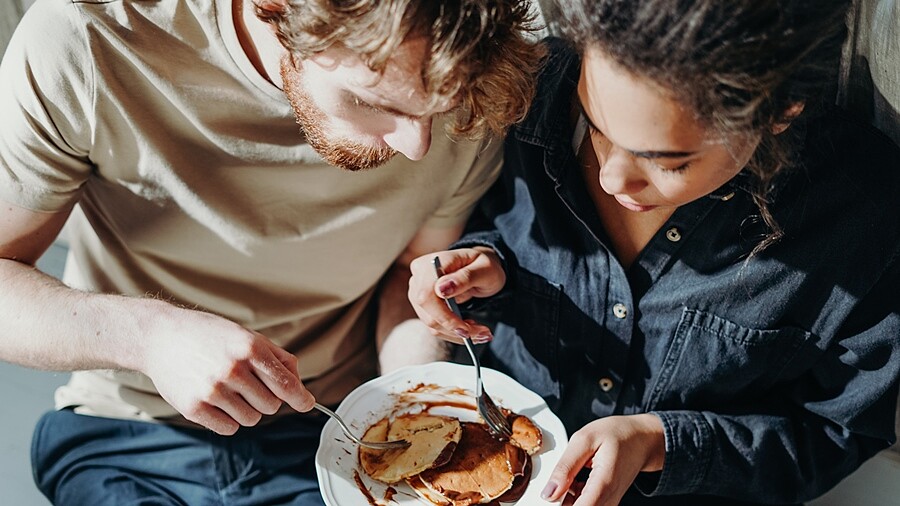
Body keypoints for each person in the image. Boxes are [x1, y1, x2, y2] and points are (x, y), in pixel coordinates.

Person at [0, 0, 543, 503]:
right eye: (374, 102)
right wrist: (149, 337)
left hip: (336, 430)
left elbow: (408, 277)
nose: (417, 146)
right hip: (127, 429)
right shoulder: (87, 39)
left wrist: (410, 404)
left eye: (437, 111)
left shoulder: (466, 84)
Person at [407, 0, 900, 504]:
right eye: (594, 126)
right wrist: (484, 263)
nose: (611, 177)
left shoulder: (861, 217)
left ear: (781, 109)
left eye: (666, 162)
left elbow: (839, 430)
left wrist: (659, 443)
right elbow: (503, 226)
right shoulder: (536, 89)